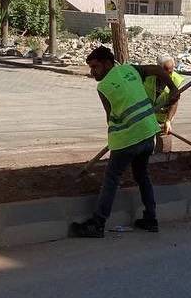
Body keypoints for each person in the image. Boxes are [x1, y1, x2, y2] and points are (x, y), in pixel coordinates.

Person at [70, 47, 178, 238]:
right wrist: (173, 88)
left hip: (127, 139)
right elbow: (157, 69)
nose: (92, 71)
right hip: (147, 134)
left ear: (108, 63)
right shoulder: (131, 70)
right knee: (142, 175)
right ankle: (151, 219)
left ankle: (98, 223)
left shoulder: (103, 87)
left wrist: (114, 138)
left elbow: (109, 116)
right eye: (91, 67)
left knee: (111, 179)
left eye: (95, 66)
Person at [144, 54, 185, 153]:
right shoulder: (149, 77)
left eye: (171, 71)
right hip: (147, 116)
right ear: (159, 69)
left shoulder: (176, 80)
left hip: (164, 117)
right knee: (144, 145)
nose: (169, 74)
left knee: (164, 147)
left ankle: (162, 162)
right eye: (166, 71)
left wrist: (168, 121)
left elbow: (174, 103)